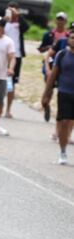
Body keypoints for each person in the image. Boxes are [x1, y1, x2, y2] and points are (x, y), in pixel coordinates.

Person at [42, 30, 74, 164]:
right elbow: (52, 77)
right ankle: (63, 151)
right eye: (72, 37)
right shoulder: (62, 55)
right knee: (64, 122)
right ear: (68, 39)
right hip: (64, 93)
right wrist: (46, 95)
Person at [3, 2, 28, 119]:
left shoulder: (20, 23)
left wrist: (19, 16)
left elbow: (27, 27)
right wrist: (4, 20)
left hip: (16, 57)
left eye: (14, 10)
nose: (12, 12)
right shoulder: (4, 22)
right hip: (3, 56)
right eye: (10, 9)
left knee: (10, 83)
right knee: (0, 81)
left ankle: (8, 109)